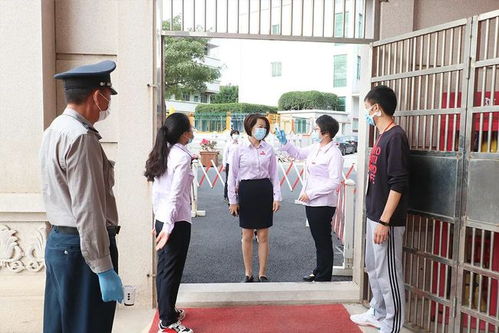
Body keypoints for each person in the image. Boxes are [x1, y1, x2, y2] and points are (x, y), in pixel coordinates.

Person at [40, 60, 124, 333]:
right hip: (82, 248)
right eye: (107, 97)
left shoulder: (54, 130)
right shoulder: (81, 137)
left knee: (60, 326)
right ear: (96, 96)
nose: (108, 104)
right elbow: (88, 208)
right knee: (87, 327)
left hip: (60, 243)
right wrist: (102, 266)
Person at [349, 85, 409, 333]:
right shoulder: (383, 135)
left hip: (387, 220)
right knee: (374, 269)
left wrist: (385, 221)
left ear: (376, 108)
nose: (366, 114)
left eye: (366, 109)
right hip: (375, 215)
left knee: (389, 274)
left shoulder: (395, 137)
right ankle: (379, 312)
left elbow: (399, 183)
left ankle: (393, 324)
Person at [276, 115, 343, 282]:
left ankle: (324, 275)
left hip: (323, 203)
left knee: (322, 240)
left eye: (316, 129)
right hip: (311, 202)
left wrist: (311, 193)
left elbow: (334, 182)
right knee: (318, 239)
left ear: (326, 132)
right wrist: (285, 143)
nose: (314, 131)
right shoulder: (316, 147)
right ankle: (319, 270)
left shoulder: (334, 153)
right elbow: (298, 154)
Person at [145, 112, 195, 333]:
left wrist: (157, 221)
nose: (192, 133)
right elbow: (175, 195)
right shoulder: (182, 157)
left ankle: (167, 311)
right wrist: (167, 227)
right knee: (172, 270)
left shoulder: (162, 152)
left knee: (164, 268)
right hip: (176, 221)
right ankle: (167, 320)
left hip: (163, 218)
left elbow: (157, 193)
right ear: (184, 134)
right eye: (190, 129)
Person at [228, 114, 281, 282]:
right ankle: (248, 273)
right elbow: (232, 176)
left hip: (264, 190)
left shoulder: (269, 149)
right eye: (259, 126)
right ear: (249, 126)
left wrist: (277, 197)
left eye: (264, 127)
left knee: (264, 235)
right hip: (246, 191)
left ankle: (262, 273)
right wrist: (233, 200)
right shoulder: (239, 148)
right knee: (247, 235)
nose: (262, 130)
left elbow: (274, 174)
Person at [222, 129, 240, 201]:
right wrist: (224, 165)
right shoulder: (228, 144)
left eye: (237, 133)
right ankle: (226, 195)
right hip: (229, 163)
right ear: (231, 135)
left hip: (238, 164)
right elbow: (225, 155)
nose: (236, 135)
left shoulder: (240, 143)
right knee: (228, 179)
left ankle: (237, 194)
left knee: (238, 179)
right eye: (234, 133)